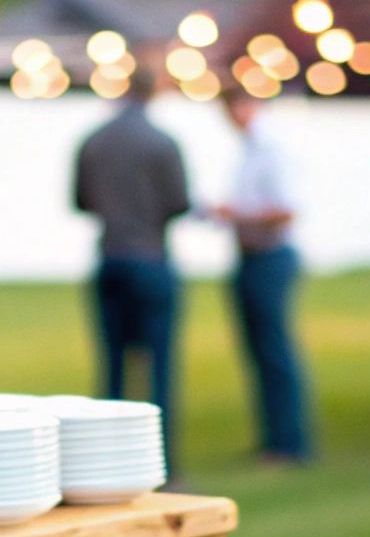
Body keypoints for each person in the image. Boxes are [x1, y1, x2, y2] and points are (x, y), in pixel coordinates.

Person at [72, 58, 190, 457]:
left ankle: (107, 458)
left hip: (110, 258)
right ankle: (162, 461)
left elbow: (80, 200)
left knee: (113, 369)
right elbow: (179, 202)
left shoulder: (95, 139)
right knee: (160, 369)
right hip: (151, 257)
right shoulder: (162, 141)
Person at [211, 87, 312, 464]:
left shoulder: (272, 149)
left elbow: (286, 209)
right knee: (257, 350)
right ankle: (274, 437)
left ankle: (290, 441)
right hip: (249, 255)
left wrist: (236, 214)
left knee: (275, 349)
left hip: (270, 255)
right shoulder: (249, 150)